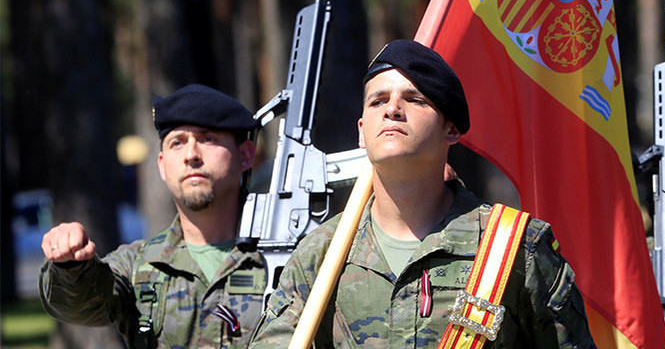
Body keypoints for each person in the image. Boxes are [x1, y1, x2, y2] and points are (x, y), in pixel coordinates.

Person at [249, 40, 596, 348]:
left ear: (451, 128)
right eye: (378, 101)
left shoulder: (515, 248)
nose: (392, 109)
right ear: (361, 132)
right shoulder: (321, 254)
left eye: (414, 99)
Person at [39, 84, 266, 348]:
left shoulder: (285, 261)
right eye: (177, 143)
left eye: (208, 139)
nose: (191, 155)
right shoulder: (138, 267)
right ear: (162, 165)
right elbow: (79, 304)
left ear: (245, 155)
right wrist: (70, 266)